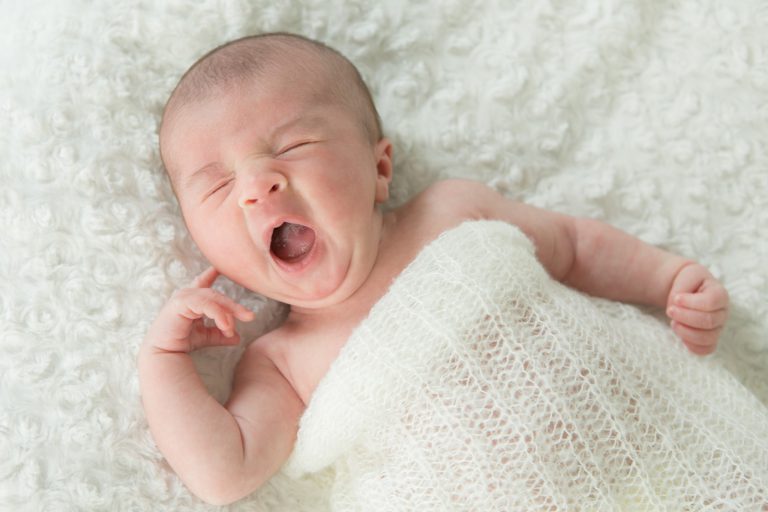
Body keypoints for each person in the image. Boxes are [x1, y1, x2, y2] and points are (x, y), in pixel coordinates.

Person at [138, 32, 729, 506]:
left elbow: (571, 245)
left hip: (657, 447)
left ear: (380, 169)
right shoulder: (283, 364)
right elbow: (224, 473)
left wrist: (667, 279)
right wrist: (164, 361)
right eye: (217, 185)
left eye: (293, 146)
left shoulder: (453, 211)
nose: (255, 186)